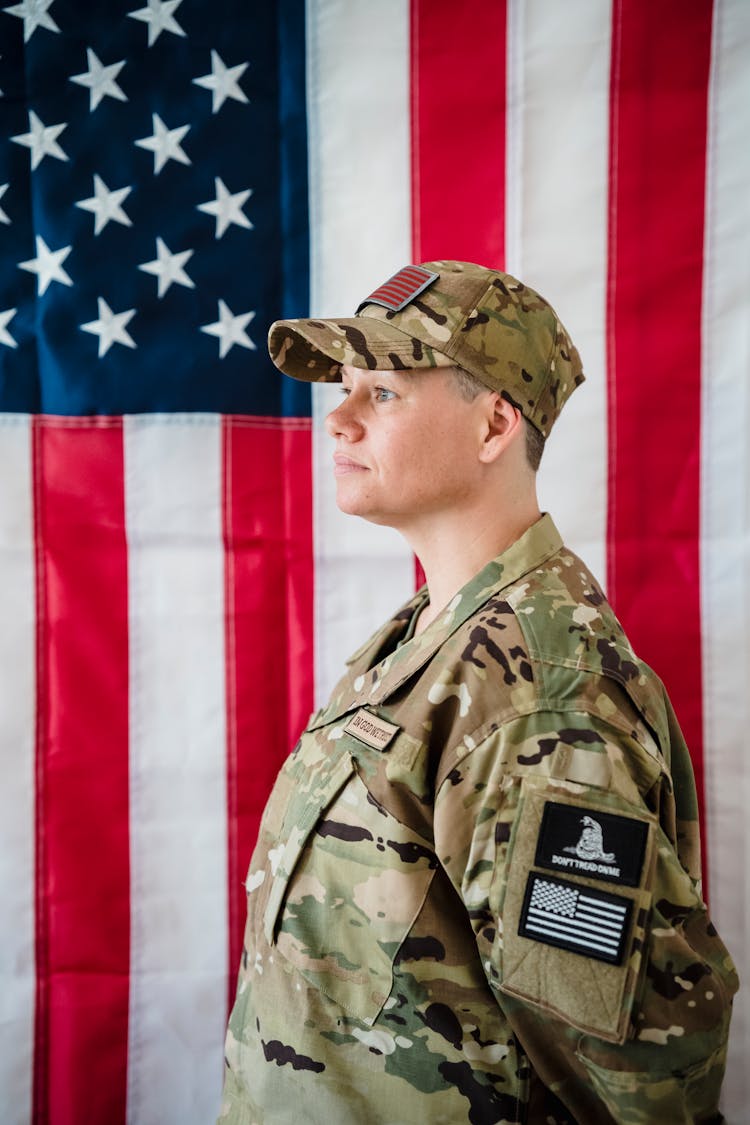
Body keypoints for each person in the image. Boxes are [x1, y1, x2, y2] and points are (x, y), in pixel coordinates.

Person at [218, 260, 738, 1124]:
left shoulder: (537, 698)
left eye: (381, 394)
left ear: (495, 422)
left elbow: (643, 1084)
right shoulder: (431, 632)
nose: (337, 420)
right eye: (344, 390)